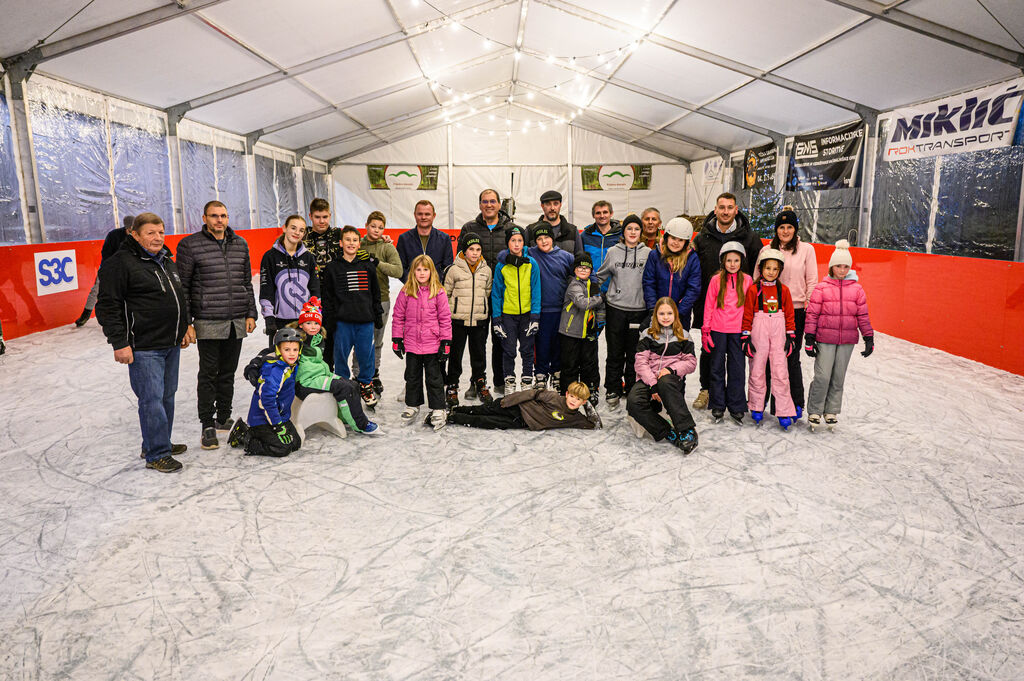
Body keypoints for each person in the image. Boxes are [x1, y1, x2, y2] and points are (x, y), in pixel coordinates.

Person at [95, 213, 193, 472]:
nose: (158, 237)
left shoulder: (165, 259)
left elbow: (178, 297)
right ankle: (157, 454)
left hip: (170, 342)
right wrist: (119, 342)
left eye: (161, 232)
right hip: (144, 346)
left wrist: (184, 326)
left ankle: (158, 443)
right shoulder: (120, 263)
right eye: (151, 233)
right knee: (151, 400)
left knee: (167, 397)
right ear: (135, 235)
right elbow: (107, 306)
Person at [176, 200, 257, 450]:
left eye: (223, 215)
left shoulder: (240, 244)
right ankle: (207, 424)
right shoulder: (190, 245)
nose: (219, 220)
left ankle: (223, 416)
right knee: (209, 374)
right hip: (208, 320)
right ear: (204, 218)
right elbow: (183, 288)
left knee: (228, 372)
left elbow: (246, 282)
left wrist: (251, 313)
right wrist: (186, 323)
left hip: (236, 320)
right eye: (214, 216)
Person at [691, 193, 763, 411]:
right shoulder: (702, 237)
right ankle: (707, 390)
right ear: (715, 210)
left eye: (729, 207)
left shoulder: (750, 238)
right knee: (709, 354)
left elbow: (758, 270)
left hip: (738, 313)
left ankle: (735, 399)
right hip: (710, 307)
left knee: (735, 360)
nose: (725, 211)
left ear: (736, 210)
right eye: (721, 207)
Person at [804, 240, 874, 431]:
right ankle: (815, 410)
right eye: (838, 266)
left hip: (847, 341)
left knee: (838, 377)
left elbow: (863, 315)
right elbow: (812, 315)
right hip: (825, 339)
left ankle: (831, 411)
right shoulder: (821, 288)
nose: (842, 270)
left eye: (845, 266)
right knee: (822, 376)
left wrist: (868, 337)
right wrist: (809, 337)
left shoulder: (857, 289)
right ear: (831, 267)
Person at [459, 188, 518, 395]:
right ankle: (477, 381)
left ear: (499, 205)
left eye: (493, 201)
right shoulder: (469, 228)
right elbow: (460, 259)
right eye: (485, 201)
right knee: (478, 341)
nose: (489, 205)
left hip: (503, 295)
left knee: (501, 339)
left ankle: (500, 381)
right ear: (480, 205)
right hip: (477, 295)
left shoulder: (511, 228)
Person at [292, 297, 380, 435]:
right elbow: (278, 350)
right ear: (301, 325)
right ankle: (361, 425)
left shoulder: (317, 338)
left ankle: (346, 416)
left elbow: (317, 362)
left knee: (353, 385)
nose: (313, 326)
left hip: (318, 377)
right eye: (308, 323)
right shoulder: (296, 340)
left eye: (316, 323)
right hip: (305, 382)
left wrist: (327, 373)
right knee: (344, 388)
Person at [321, 226, 383, 408]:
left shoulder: (368, 267)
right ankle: (343, 387)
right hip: (343, 323)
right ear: (341, 243)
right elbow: (328, 297)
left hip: (365, 321)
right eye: (347, 240)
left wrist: (377, 314)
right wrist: (329, 321)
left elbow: (375, 293)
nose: (351, 243)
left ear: (359, 244)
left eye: (355, 240)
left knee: (366, 357)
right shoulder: (332, 268)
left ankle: (365, 385)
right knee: (340, 356)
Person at [626, 297, 698, 453]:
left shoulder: (684, 335)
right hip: (648, 378)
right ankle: (667, 432)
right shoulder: (647, 334)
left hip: (670, 379)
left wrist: (671, 369)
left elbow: (691, 362)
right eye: (661, 313)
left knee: (665, 382)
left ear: (675, 315)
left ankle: (687, 430)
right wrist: (652, 384)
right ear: (655, 315)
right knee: (634, 402)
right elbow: (640, 362)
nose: (666, 317)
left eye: (669, 313)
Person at [595, 214, 651, 409]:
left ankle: (632, 386)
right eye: (629, 229)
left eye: (636, 229)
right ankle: (613, 387)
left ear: (641, 232)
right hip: (616, 309)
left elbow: (653, 279)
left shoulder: (648, 253)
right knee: (615, 351)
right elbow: (600, 276)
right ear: (623, 232)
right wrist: (586, 290)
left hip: (639, 310)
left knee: (635, 352)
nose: (633, 232)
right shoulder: (613, 252)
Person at [392, 254, 452, 430]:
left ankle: (438, 408)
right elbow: (398, 316)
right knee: (412, 376)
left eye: (425, 269)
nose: (422, 273)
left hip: (432, 343)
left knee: (434, 377)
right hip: (412, 343)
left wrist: (445, 342)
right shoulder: (406, 291)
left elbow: (445, 318)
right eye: (418, 270)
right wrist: (397, 338)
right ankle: (412, 405)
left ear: (431, 271)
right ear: (413, 272)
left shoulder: (438, 292)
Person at [768, 208, 817, 418]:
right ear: (776, 230)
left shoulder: (806, 250)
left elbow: (812, 281)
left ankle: (796, 403)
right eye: (781, 227)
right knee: (771, 358)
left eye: (789, 227)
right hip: (771, 310)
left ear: (795, 229)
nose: (785, 231)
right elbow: (757, 279)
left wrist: (809, 307)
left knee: (791, 357)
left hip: (796, 311)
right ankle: (775, 405)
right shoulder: (768, 250)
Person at [742, 249, 797, 430]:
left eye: (775, 269)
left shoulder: (784, 290)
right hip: (759, 327)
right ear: (761, 269)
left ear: (780, 271)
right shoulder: (753, 290)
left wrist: (790, 335)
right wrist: (745, 335)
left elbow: (789, 314)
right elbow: (747, 313)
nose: (771, 272)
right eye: (768, 268)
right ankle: (756, 405)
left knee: (780, 370)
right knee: (757, 368)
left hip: (778, 329)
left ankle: (784, 409)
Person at [227, 328, 302, 457]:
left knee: (295, 444)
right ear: (278, 350)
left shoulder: (291, 366)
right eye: (287, 350)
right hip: (261, 420)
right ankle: (245, 436)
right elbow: (267, 401)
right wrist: (277, 425)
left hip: (279, 416)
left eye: (295, 350)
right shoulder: (275, 371)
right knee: (282, 449)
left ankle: (259, 431)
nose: (292, 354)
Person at [701, 241, 753, 425]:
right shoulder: (716, 280)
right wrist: (706, 330)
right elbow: (709, 305)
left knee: (737, 368)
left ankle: (736, 405)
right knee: (716, 367)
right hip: (718, 329)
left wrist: (749, 330)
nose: (732, 264)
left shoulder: (747, 280)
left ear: (741, 261)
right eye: (729, 260)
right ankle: (718, 404)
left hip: (738, 331)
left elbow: (750, 307)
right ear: (723, 261)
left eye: (736, 260)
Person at [443, 235, 493, 407]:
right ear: (464, 251)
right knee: (455, 355)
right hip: (457, 321)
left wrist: (482, 309)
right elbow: (446, 294)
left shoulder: (486, 270)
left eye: (478, 250)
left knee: (479, 354)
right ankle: (452, 385)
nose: (475, 253)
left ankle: (480, 382)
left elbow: (487, 291)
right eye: (471, 249)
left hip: (479, 320)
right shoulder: (453, 270)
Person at [358, 210, 403, 395]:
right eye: (373, 226)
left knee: (377, 340)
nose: (376, 230)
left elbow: (398, 271)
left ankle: (374, 373)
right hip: (359, 300)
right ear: (366, 226)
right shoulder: (357, 244)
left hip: (381, 299)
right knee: (360, 339)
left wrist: (377, 263)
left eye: (380, 227)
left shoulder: (387, 247)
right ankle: (358, 374)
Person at [492, 226, 541, 394]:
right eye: (513, 240)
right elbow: (496, 293)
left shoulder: (531, 263)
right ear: (508, 243)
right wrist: (497, 319)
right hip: (508, 315)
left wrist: (535, 316)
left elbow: (536, 290)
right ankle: (509, 381)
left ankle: (527, 379)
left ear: (524, 243)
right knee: (509, 349)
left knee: (527, 349)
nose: (516, 244)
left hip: (527, 314)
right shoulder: (501, 266)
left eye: (520, 240)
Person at [258, 214, 319, 348]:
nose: (297, 233)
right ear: (284, 228)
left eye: (301, 230)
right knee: (283, 359)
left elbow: (315, 289)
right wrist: (269, 317)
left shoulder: (308, 257)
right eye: (293, 228)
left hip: (305, 321)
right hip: (280, 322)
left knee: (306, 359)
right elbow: (266, 289)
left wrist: (314, 316)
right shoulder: (270, 257)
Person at [526, 223, 574, 391]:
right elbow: (508, 252)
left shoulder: (566, 257)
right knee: (542, 344)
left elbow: (583, 270)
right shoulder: (530, 253)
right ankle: (540, 373)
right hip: (541, 310)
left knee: (558, 343)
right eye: (539, 238)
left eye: (546, 237)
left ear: (552, 239)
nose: (543, 241)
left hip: (561, 309)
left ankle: (557, 372)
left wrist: (594, 285)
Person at [448, 381, 601, 430]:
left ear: (583, 402)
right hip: (517, 406)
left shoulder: (576, 418)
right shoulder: (554, 397)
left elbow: (595, 424)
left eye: (578, 399)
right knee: (483, 410)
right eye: (572, 396)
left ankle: (454, 417)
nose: (573, 401)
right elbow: (532, 393)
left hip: (522, 422)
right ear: (567, 394)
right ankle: (456, 410)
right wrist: (509, 400)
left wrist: (588, 406)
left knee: (487, 421)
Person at [302, 197, 343, 369]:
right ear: (310, 216)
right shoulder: (302, 235)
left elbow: (357, 243)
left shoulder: (338, 234)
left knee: (330, 337)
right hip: (309, 296)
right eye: (317, 217)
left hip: (334, 296)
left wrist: (382, 239)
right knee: (309, 337)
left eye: (325, 217)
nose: (321, 221)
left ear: (330, 216)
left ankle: (328, 370)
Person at [559, 253, 604, 405]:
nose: (583, 270)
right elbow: (583, 303)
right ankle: (567, 392)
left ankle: (589, 392)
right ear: (575, 269)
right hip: (570, 332)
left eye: (587, 268)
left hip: (588, 332)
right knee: (570, 365)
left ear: (591, 270)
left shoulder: (593, 285)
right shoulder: (574, 285)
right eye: (580, 267)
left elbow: (600, 309)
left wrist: (598, 325)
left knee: (589, 364)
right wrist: (599, 298)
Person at [75, 214, 134, 327]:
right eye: (129, 229)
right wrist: (110, 267)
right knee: (96, 290)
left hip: (127, 267)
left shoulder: (138, 235)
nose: (131, 231)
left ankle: (126, 316)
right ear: (126, 227)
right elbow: (106, 253)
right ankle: (85, 315)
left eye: (133, 229)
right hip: (109, 266)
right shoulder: (114, 235)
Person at [642, 216, 701, 327]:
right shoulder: (655, 255)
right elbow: (649, 283)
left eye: (681, 240)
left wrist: (679, 312)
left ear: (686, 242)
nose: (676, 243)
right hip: (658, 313)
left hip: (680, 315)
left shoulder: (692, 259)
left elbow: (693, 288)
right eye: (673, 238)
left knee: (679, 338)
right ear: (667, 237)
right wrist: (654, 309)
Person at [396, 199, 454, 281]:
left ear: (434, 216)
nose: (423, 217)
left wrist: (434, 283)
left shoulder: (444, 239)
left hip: (436, 287)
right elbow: (400, 268)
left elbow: (448, 267)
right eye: (420, 214)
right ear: (415, 215)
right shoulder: (404, 239)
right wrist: (413, 283)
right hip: (412, 287)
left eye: (427, 214)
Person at [526, 189, 583, 256]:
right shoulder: (530, 231)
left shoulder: (572, 231)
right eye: (548, 204)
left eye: (556, 204)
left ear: (560, 205)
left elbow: (579, 257)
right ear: (542, 206)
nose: (552, 208)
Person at [580, 200, 622, 291]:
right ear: (593, 215)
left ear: (611, 214)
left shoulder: (621, 236)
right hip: (591, 287)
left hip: (615, 288)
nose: (602, 216)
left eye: (605, 212)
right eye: (598, 213)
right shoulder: (585, 236)